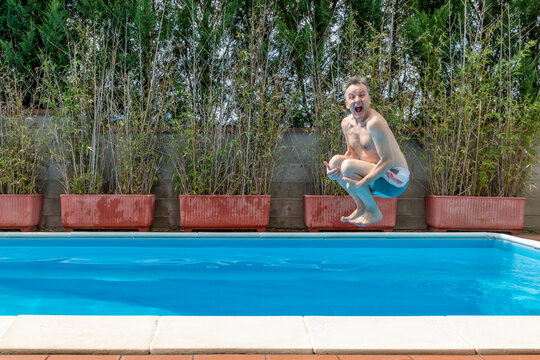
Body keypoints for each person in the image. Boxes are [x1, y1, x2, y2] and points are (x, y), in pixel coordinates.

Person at [324, 76, 409, 226]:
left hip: (395, 180)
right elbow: (352, 154)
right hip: (376, 175)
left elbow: (388, 161)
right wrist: (333, 173)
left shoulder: (374, 123)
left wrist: (362, 183)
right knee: (336, 162)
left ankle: (373, 210)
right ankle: (361, 205)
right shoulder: (346, 123)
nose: (357, 99)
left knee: (348, 166)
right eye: (352, 97)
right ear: (346, 103)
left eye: (361, 95)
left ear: (369, 99)